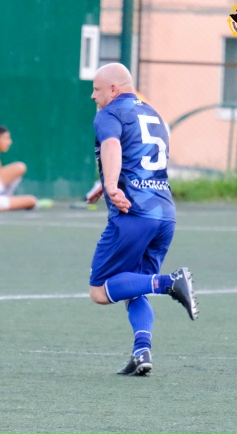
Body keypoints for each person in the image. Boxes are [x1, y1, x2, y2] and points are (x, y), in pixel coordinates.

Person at [86, 63, 199, 376]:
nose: (93, 95)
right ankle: (141, 352)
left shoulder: (109, 113)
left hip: (134, 215)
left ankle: (169, 282)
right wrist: (104, 184)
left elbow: (112, 145)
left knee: (100, 291)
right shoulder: (152, 114)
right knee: (132, 288)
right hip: (165, 214)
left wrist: (111, 185)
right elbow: (140, 158)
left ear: (113, 89)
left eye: (96, 89)